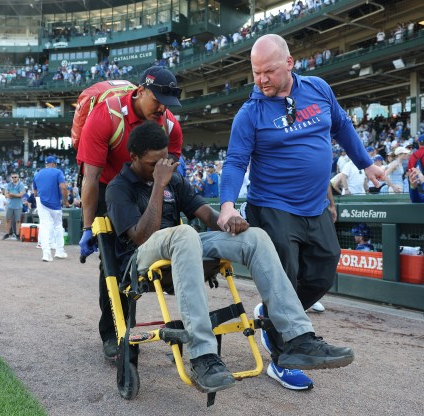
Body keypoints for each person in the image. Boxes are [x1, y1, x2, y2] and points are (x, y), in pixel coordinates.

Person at [106, 122, 354, 393]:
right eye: (154, 164)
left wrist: (229, 222)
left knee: (255, 237)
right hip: (141, 258)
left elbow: (207, 216)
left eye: (165, 161)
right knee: (185, 233)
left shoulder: (174, 181)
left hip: (184, 246)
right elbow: (141, 236)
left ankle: (297, 337)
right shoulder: (119, 187)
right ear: (134, 158)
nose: (162, 168)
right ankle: (202, 354)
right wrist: (158, 185)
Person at [217, 34, 384, 390]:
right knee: (286, 278)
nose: (261, 80)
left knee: (324, 271)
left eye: (270, 72)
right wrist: (228, 204)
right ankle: (283, 358)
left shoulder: (319, 89)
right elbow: (234, 162)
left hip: (315, 206)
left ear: (290, 63)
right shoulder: (251, 113)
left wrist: (367, 165)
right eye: (256, 72)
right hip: (274, 207)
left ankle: (272, 312)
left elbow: (341, 126)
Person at [76, 65, 184, 360]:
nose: (162, 108)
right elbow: (90, 178)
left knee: (138, 254)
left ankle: (133, 324)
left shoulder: (169, 123)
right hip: (106, 184)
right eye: (157, 100)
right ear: (140, 91)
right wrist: (88, 227)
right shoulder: (106, 116)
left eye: (167, 103)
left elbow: (169, 170)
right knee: (111, 260)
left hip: (143, 186)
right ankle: (112, 332)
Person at [33, 156, 70, 262]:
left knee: (45, 227)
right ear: (54, 164)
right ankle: (59, 251)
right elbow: (63, 187)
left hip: (41, 203)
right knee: (58, 226)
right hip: (55, 204)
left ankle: (46, 254)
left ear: (46, 164)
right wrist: (66, 200)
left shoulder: (37, 174)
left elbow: (35, 193)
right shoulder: (58, 172)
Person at [3, 173, 24, 240]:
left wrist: (12, 194)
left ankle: (17, 234)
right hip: (10, 205)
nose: (14, 178)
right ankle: (7, 234)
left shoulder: (21, 184)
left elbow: (21, 194)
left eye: (15, 177)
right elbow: (6, 194)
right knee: (8, 220)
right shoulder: (9, 185)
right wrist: (10, 195)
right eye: (12, 177)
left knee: (18, 221)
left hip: (18, 205)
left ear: (18, 177)